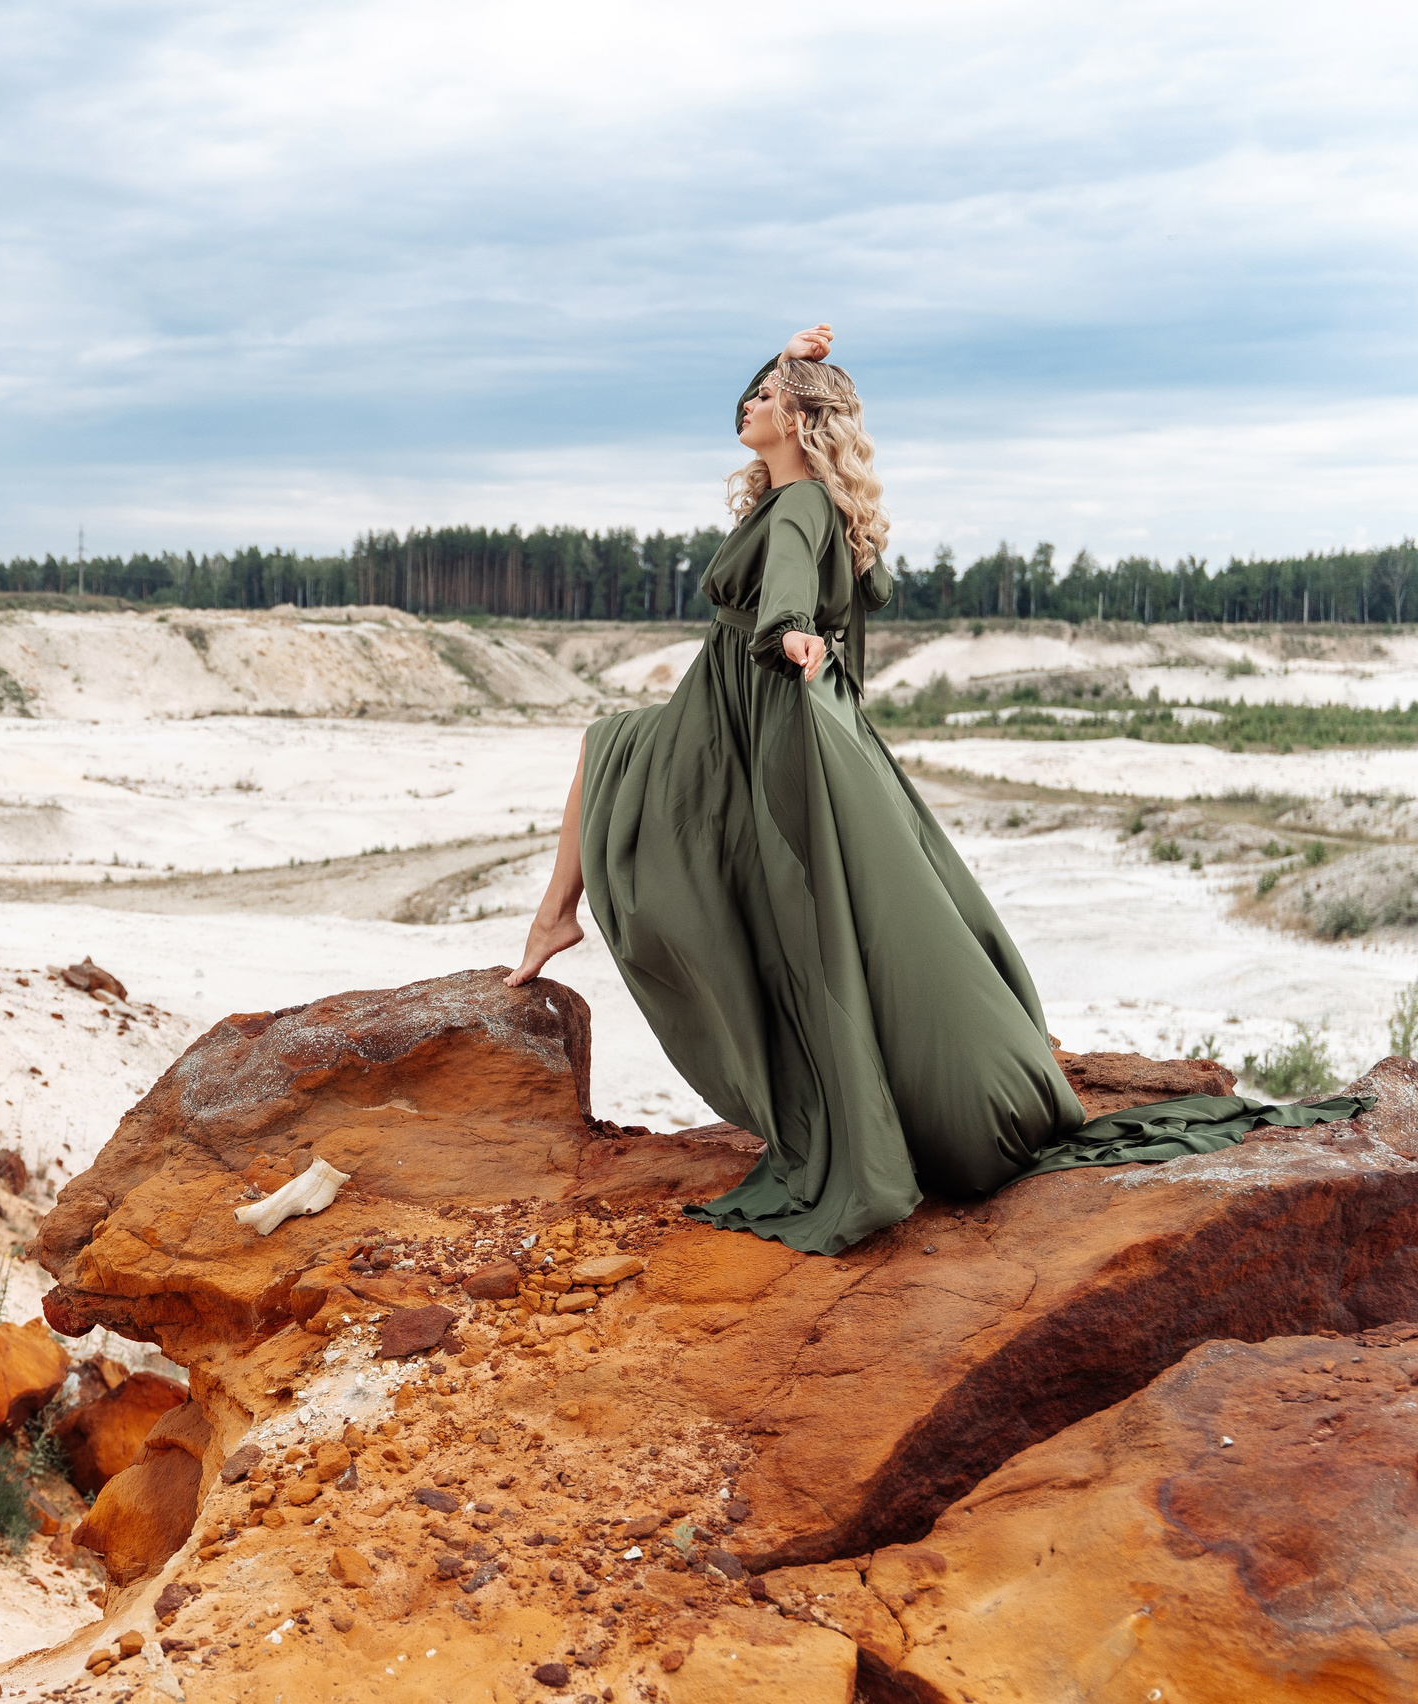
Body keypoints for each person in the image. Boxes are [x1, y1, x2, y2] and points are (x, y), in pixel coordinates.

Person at [505, 324, 1368, 1255]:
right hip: (768, 712)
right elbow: (807, 545)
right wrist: (783, 350)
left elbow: (792, 587)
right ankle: (561, 916)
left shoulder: (796, 508)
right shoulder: (808, 496)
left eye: (764, 394)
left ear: (796, 419)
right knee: (809, 905)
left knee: (613, 757)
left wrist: (791, 631)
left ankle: (557, 915)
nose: (746, 404)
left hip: (747, 711)